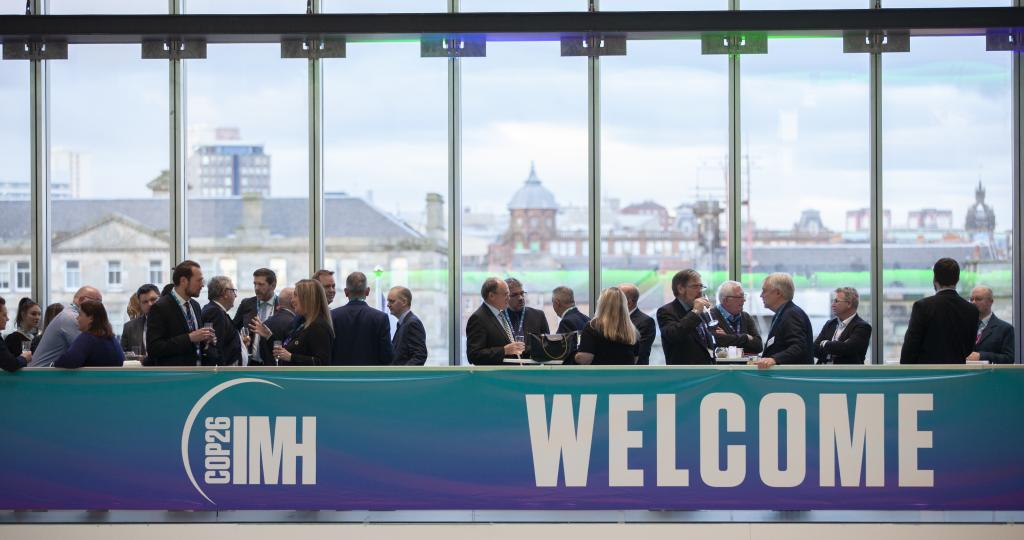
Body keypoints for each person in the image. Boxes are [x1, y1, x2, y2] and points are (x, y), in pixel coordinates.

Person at [900, 258, 979, 364]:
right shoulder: (972, 310)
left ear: (935, 279)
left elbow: (910, 348)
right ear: (957, 279)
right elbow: (969, 348)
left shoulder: (922, 306)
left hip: (928, 376)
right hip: (958, 375)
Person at [146, 260, 215, 366]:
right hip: (174, 378)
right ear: (183, 281)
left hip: (198, 375)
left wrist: (206, 341)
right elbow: (154, 348)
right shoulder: (160, 308)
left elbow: (197, 346)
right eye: (199, 280)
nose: (202, 285)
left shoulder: (195, 305)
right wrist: (189, 338)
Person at [331, 271, 394, 365]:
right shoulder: (381, 318)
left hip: (341, 376)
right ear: (367, 291)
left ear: (346, 292)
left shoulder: (332, 316)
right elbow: (387, 356)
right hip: (370, 376)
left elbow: (328, 352)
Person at [30, 286, 103, 367]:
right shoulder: (71, 318)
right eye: (97, 302)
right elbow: (88, 352)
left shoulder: (69, 315)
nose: (100, 308)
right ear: (81, 300)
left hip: (48, 374)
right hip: (42, 376)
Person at [656, 269, 715, 365]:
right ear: (680, 289)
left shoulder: (701, 311)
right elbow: (674, 335)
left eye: (701, 286)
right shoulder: (666, 311)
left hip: (706, 371)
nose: (700, 291)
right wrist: (695, 312)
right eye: (696, 286)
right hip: (684, 374)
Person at [755, 273, 814, 368]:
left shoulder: (791, 314)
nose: (761, 295)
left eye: (764, 291)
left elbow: (798, 347)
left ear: (778, 293)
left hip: (792, 378)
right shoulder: (782, 314)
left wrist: (774, 359)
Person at [273, 279, 334, 366]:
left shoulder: (318, 327)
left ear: (307, 299)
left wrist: (291, 357)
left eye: (295, 296)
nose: (292, 301)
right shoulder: (303, 324)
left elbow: (322, 363)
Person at [466, 277, 525, 365]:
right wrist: (504, 350)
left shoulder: (501, 314)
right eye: (505, 294)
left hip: (509, 375)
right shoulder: (478, 318)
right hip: (493, 377)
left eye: (509, 294)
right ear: (491, 296)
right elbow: (474, 355)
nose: (508, 298)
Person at [575, 287, 639, 365]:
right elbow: (635, 359)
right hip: (625, 376)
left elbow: (585, 359)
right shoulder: (632, 331)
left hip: (599, 375)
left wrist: (574, 356)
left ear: (601, 304)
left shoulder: (593, 327)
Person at [54, 301, 125, 368]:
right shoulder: (112, 339)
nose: (77, 318)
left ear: (91, 318)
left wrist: (55, 363)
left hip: (92, 380)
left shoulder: (87, 338)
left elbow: (69, 361)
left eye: (80, 314)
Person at [814, 287, 872, 364]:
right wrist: (835, 349)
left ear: (849, 304)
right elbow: (815, 349)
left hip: (847, 374)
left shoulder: (862, 327)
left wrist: (824, 343)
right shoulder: (830, 324)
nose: (832, 305)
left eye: (836, 301)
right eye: (833, 301)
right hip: (824, 373)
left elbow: (847, 349)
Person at [232, 268, 278, 366]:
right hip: (250, 363)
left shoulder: (282, 305)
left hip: (273, 364)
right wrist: (241, 339)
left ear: (273, 285)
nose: (256, 288)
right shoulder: (246, 304)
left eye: (261, 284)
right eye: (255, 284)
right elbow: (233, 329)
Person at [709, 281, 762, 355]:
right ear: (726, 300)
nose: (744, 300)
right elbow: (717, 344)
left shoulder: (746, 317)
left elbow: (758, 346)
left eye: (744, 296)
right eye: (740, 297)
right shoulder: (710, 316)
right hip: (721, 366)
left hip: (744, 365)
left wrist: (728, 337)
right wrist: (746, 337)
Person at [249, 287, 296, 366]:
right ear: (292, 302)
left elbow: (263, 352)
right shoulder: (293, 323)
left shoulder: (266, 323)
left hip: (268, 369)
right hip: (286, 371)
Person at [202, 276, 243, 366]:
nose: (235, 295)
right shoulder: (215, 312)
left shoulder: (215, 310)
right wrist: (222, 372)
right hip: (223, 374)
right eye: (233, 291)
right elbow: (215, 346)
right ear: (225, 293)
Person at [968, 286, 1014, 364]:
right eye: (971, 299)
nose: (973, 302)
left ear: (990, 302)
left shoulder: (1005, 329)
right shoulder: (964, 326)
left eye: (978, 299)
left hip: (991, 374)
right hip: (965, 374)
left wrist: (981, 356)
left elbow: (1009, 358)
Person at [504, 278, 550, 356]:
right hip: (507, 365)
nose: (521, 298)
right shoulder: (499, 317)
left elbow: (547, 345)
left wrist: (526, 349)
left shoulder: (538, 315)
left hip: (531, 365)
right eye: (515, 295)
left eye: (522, 293)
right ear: (505, 297)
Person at [387, 286, 428, 366]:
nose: (388, 305)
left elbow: (419, 356)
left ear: (404, 302)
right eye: (388, 301)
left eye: (392, 301)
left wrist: (402, 374)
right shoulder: (404, 323)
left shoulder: (412, 323)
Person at [619, 283, 656, 365]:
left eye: (617, 298)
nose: (612, 302)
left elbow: (640, 352)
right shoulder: (610, 320)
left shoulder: (646, 322)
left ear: (629, 303)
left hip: (635, 373)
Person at [120, 284, 160, 356]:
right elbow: (122, 356)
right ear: (140, 305)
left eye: (153, 299)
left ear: (160, 299)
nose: (150, 304)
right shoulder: (129, 328)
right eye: (145, 302)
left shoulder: (172, 322)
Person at [0, 297, 32, 372]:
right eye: (4, 315)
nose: (7, 319)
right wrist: (24, 357)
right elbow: (11, 364)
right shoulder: (13, 338)